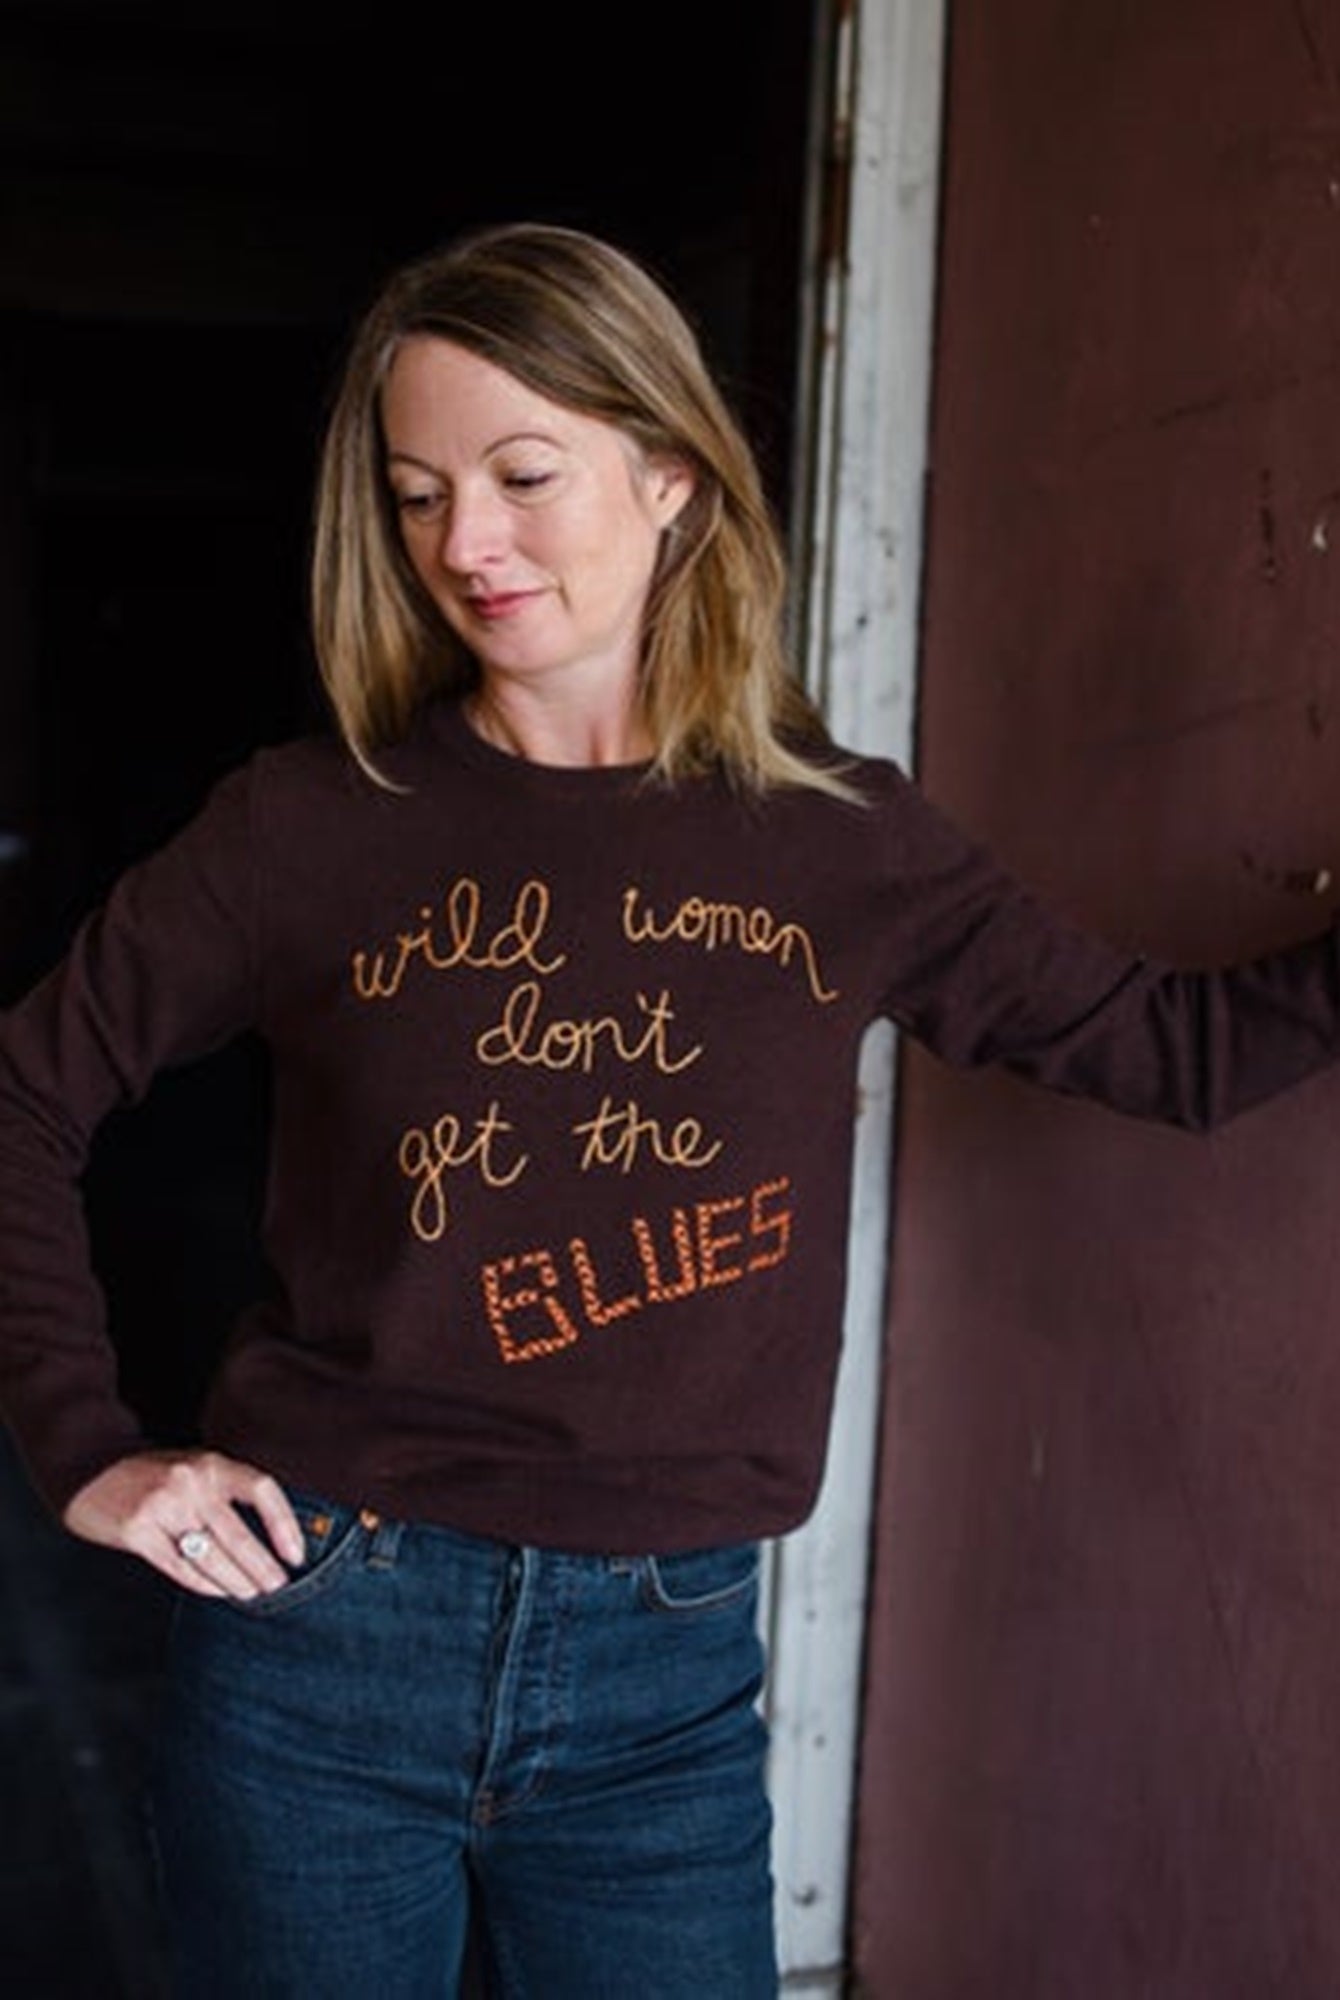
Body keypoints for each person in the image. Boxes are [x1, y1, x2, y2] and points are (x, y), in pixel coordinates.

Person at [2, 222, 1339, 1999]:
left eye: (521, 475)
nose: (463, 545)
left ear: (673, 480)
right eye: (413, 496)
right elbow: (25, 1090)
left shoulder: (845, 842)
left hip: (665, 1692)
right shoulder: (310, 829)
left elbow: (1173, 1053)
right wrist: (87, 1446)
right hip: (320, 1645)